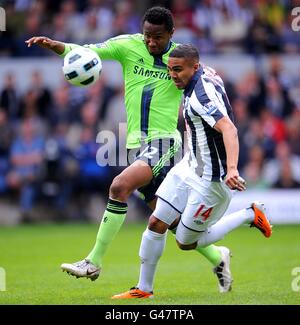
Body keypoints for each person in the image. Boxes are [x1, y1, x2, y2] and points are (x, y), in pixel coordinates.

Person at [25, 7, 226, 282]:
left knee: (119, 186)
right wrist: (55, 45)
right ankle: (218, 256)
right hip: (136, 146)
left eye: (158, 37)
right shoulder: (127, 45)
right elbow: (88, 52)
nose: (151, 42)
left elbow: (206, 80)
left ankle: (93, 261)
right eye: (147, 36)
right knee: (171, 223)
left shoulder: (180, 59)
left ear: (171, 34)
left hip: (164, 141)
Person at [112, 44, 272, 299]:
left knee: (185, 242)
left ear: (194, 67)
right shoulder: (203, 72)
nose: (173, 75)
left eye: (178, 70)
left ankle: (250, 214)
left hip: (211, 180)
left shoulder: (201, 96)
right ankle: (144, 290)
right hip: (189, 165)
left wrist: (232, 169)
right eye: (170, 69)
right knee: (156, 221)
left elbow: (229, 129)